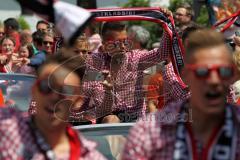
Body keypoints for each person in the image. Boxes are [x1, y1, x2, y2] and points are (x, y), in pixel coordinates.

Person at [122, 29, 240, 160]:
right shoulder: (149, 133)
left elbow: (231, 99)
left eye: (223, 71)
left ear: (233, 76)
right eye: (202, 72)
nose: (214, 80)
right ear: (185, 75)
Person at [0, 50, 106, 159]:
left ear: (78, 101)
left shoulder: (89, 156)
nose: (54, 97)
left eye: (66, 90)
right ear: (34, 90)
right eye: (46, 87)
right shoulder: (7, 126)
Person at [82, 8, 172, 123]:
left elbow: (161, 54)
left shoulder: (136, 58)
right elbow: (93, 100)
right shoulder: (94, 62)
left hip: (134, 118)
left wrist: (166, 25)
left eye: (125, 41)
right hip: (106, 116)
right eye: (117, 43)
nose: (123, 47)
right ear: (104, 45)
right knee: (111, 119)